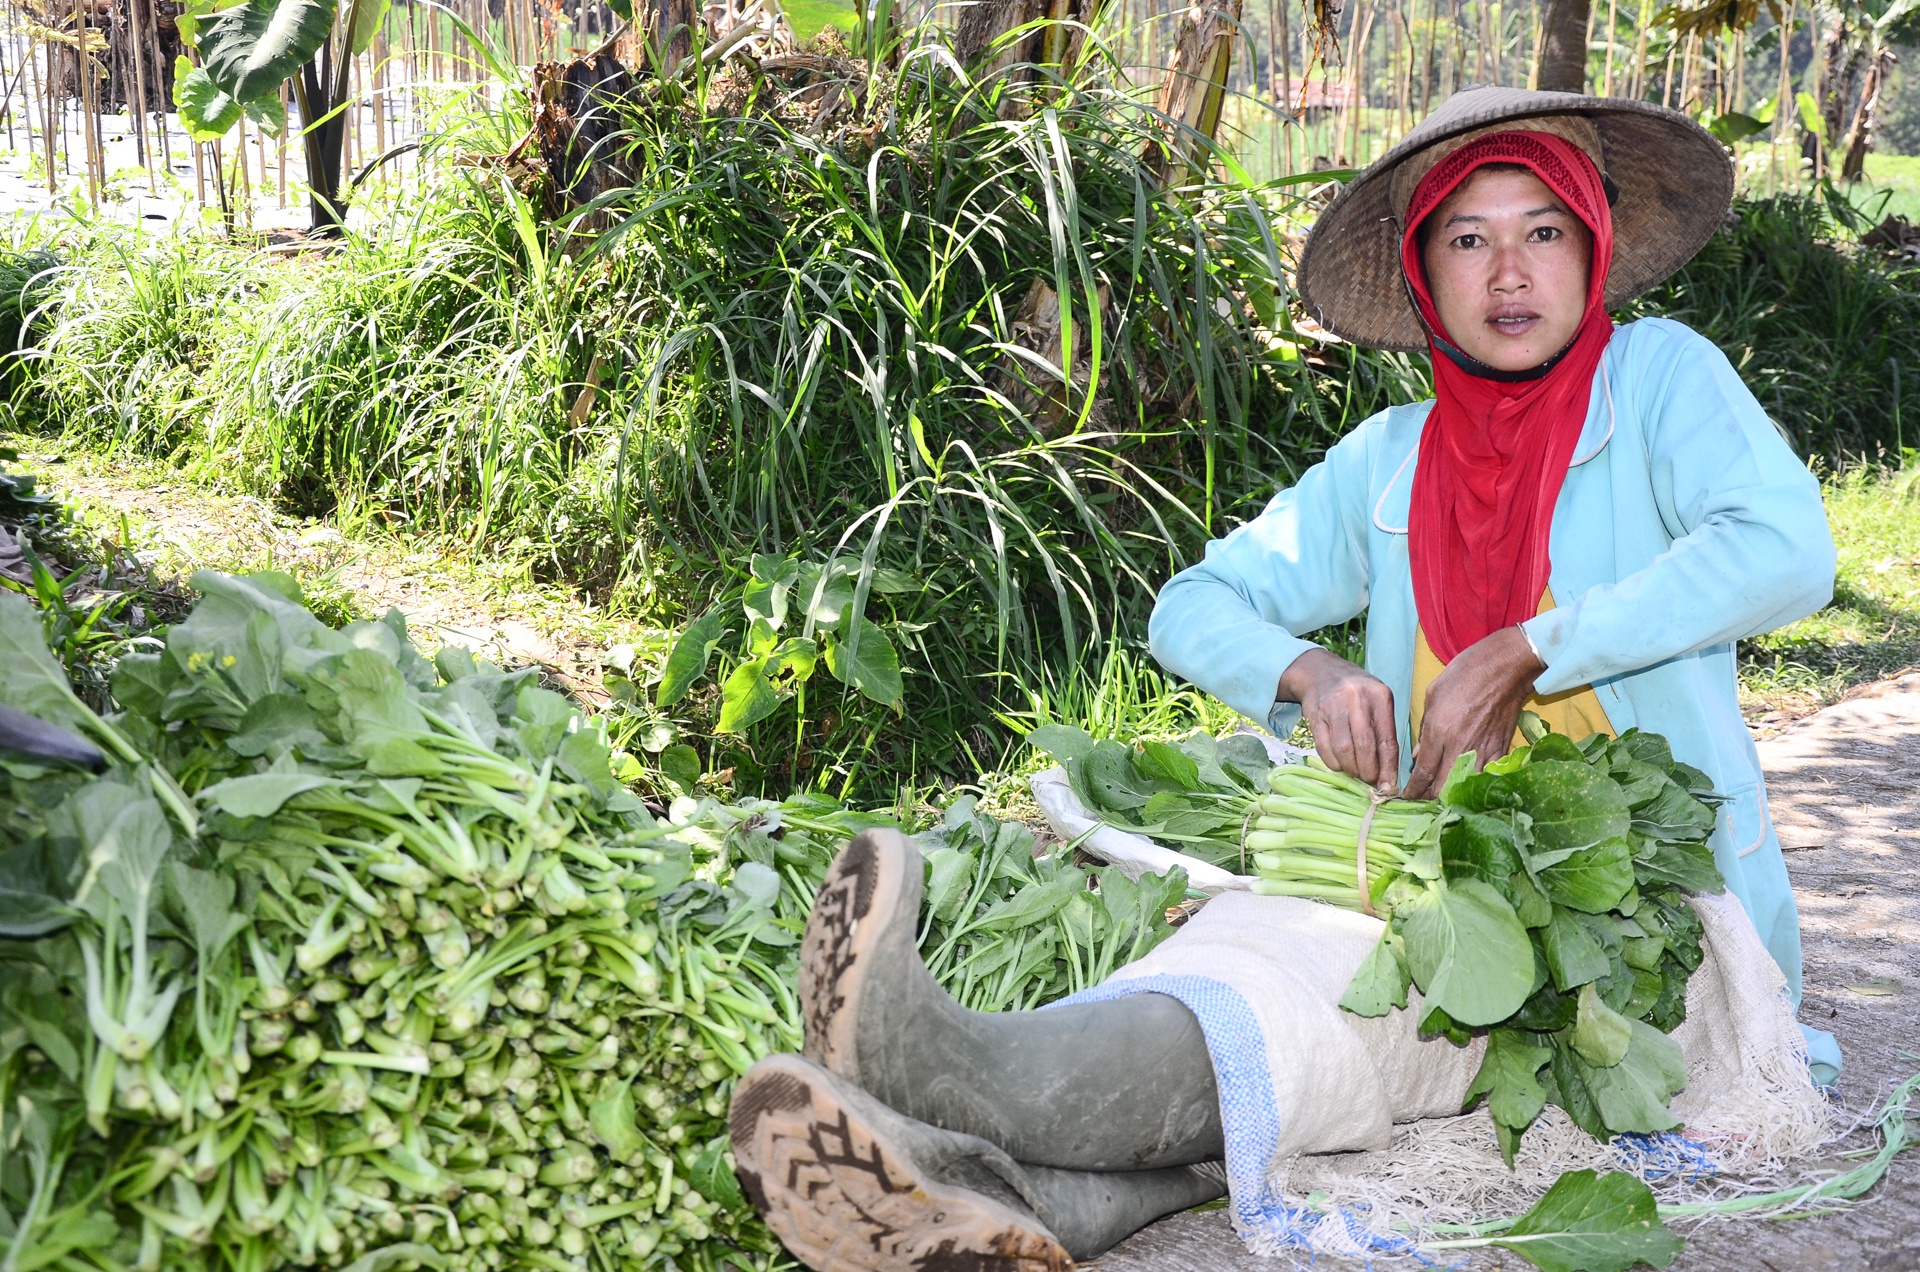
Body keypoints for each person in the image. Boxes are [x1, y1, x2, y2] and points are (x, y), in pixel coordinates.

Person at [728, 86, 1839, 1272]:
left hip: (1641, 934)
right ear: (1425, 277)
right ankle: (1011, 1202)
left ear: (1594, 248)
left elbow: (1786, 550)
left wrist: (1535, 645)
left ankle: (944, 1071)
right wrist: (1306, 672)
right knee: (1248, 955)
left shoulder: (1664, 381)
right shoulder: (1390, 459)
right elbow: (1190, 607)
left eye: (1544, 230)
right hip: (1429, 875)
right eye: (1469, 239)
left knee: (1312, 993)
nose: (1509, 271)